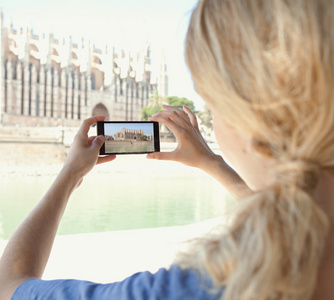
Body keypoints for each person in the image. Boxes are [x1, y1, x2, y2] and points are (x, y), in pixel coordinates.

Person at [0, 0, 334, 299]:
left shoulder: (196, 288)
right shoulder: (308, 237)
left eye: (212, 102)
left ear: (244, 118)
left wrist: (70, 173)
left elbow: (9, 282)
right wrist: (212, 162)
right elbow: (296, 219)